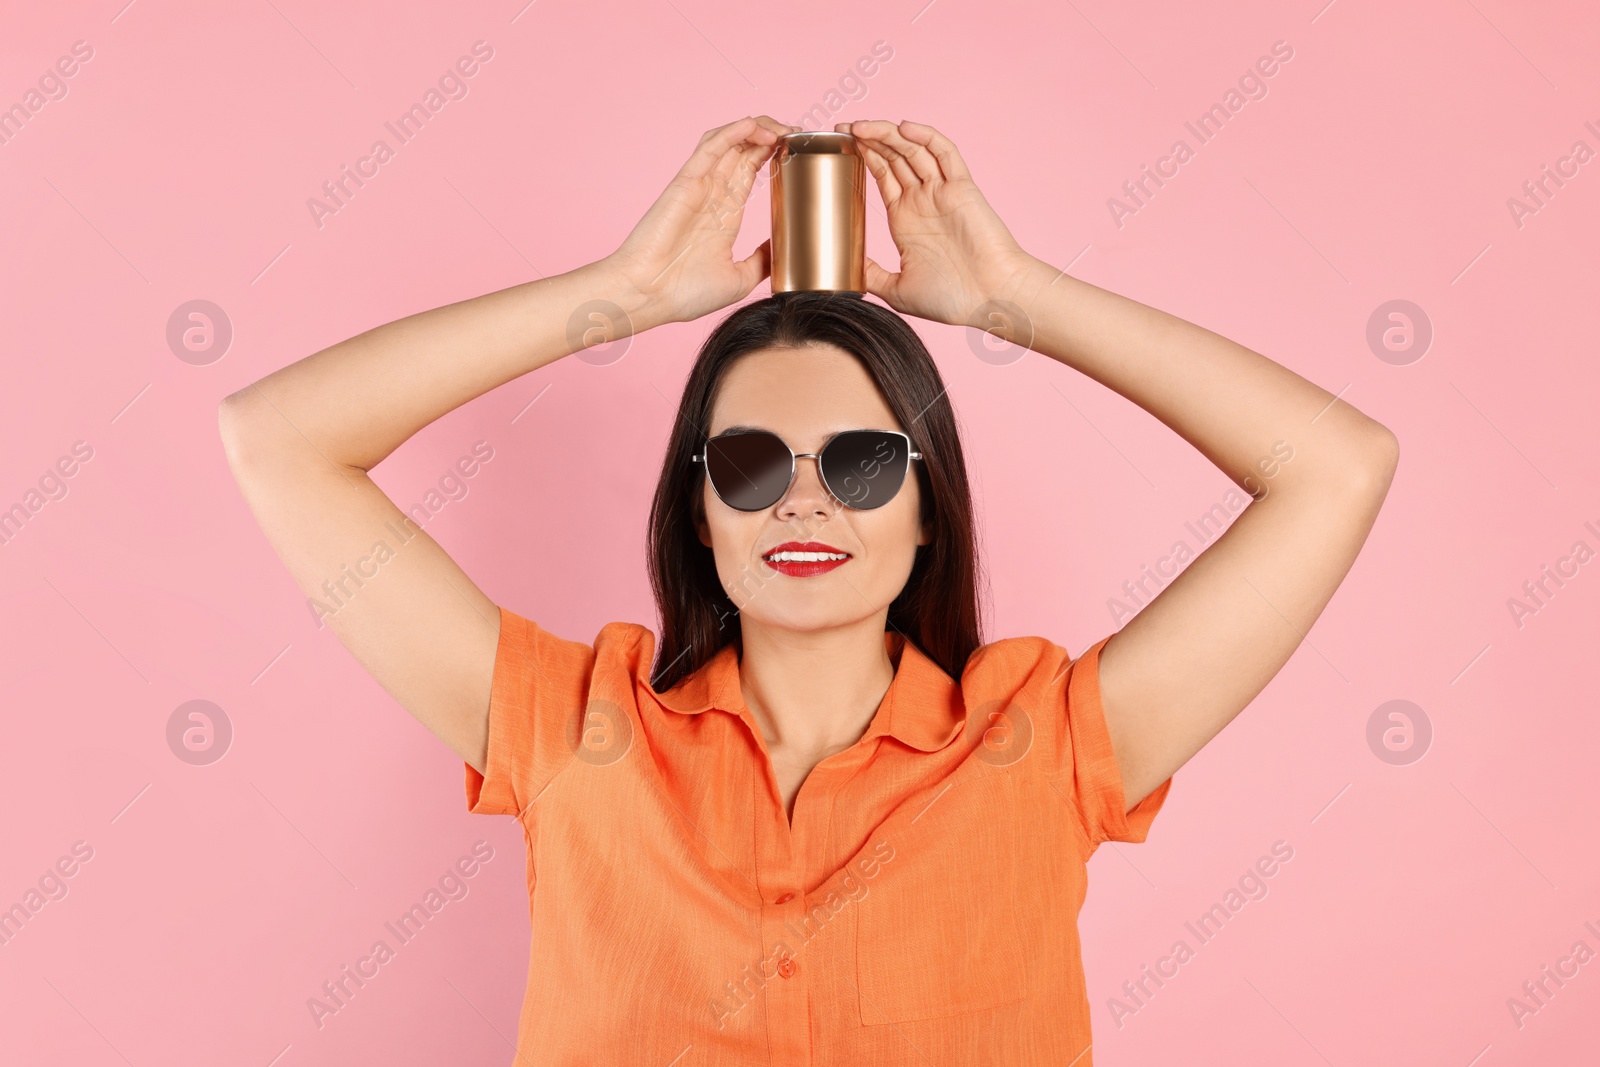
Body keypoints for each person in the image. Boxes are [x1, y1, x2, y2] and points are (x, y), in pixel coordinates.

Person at [219, 115, 1398, 1064]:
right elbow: (278, 437)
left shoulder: (1044, 742)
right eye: (748, 462)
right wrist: (620, 295)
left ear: (929, 504)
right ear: (699, 507)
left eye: (862, 461)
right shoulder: (571, 724)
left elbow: (1337, 468)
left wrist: (1016, 296)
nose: (803, 500)